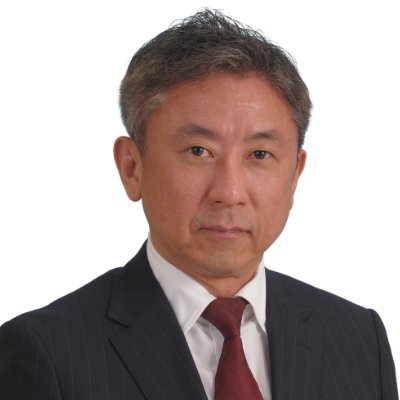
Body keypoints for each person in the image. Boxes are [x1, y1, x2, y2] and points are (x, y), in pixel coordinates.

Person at [0, 8, 397, 400]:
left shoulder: (359, 339)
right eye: (198, 151)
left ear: (295, 175)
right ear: (132, 167)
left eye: (260, 154)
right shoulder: (47, 353)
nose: (230, 192)